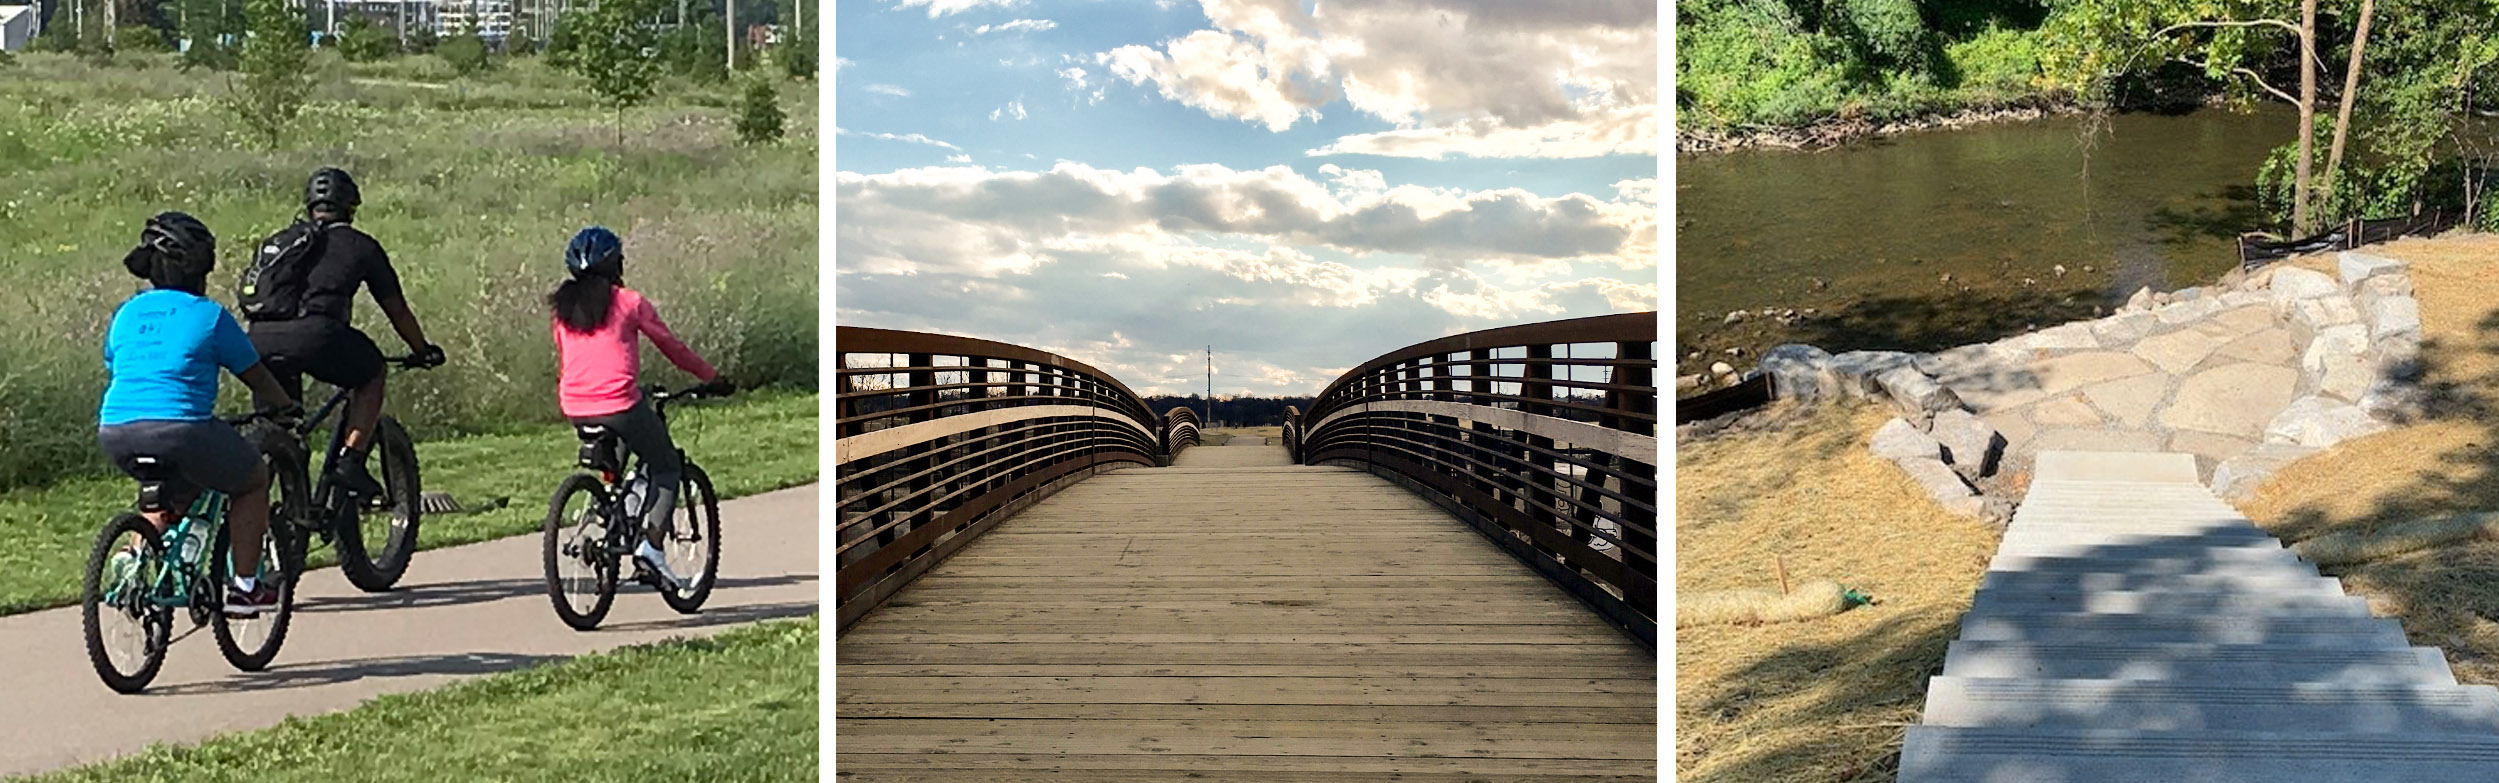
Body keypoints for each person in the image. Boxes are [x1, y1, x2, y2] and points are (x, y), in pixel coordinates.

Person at [100, 212, 301, 616]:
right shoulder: (208, 316)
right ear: (201, 267)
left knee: (174, 487)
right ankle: (245, 587)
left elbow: (118, 364)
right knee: (250, 480)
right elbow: (254, 374)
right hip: (182, 429)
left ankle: (134, 555)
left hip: (115, 428)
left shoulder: (127, 314)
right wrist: (284, 406)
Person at [548, 226, 732, 588]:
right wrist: (711, 376)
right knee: (665, 465)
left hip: (575, 404)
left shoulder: (563, 312)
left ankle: (616, 517)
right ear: (617, 264)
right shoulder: (630, 303)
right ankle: (650, 545)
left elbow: (571, 357)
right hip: (620, 403)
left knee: (616, 460)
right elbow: (671, 347)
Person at [245, 167, 444, 498]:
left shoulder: (281, 242)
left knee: (281, 428)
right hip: (318, 335)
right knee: (371, 372)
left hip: (259, 340)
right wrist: (422, 349)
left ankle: (279, 513)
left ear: (309, 205)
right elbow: (395, 309)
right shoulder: (361, 246)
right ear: (351, 206)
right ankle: (350, 461)